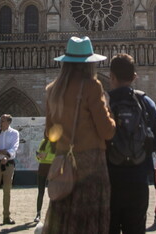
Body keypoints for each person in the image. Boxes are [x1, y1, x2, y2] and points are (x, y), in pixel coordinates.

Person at [42, 36, 116, 234]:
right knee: (89, 222)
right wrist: (109, 112)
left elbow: (49, 134)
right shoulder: (92, 86)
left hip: (63, 166)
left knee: (65, 221)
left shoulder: (52, 91)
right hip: (90, 166)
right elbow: (107, 131)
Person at [107, 53, 156, 234]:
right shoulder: (146, 103)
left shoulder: (103, 103)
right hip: (138, 179)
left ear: (111, 76)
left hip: (109, 179)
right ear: (134, 77)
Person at [0, 114, 20, 227]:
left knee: (7, 190)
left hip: (9, 164)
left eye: (3, 121)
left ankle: (6, 216)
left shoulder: (14, 133)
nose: (0, 122)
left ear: (8, 122)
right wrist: (2, 152)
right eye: (0, 120)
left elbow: (14, 148)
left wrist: (5, 155)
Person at [34, 135, 55, 223]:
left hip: (52, 168)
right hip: (42, 168)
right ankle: (38, 213)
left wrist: (46, 156)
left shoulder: (57, 143)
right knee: (40, 191)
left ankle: (52, 214)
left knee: (52, 193)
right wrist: (38, 156)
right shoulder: (43, 141)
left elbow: (57, 156)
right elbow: (37, 155)